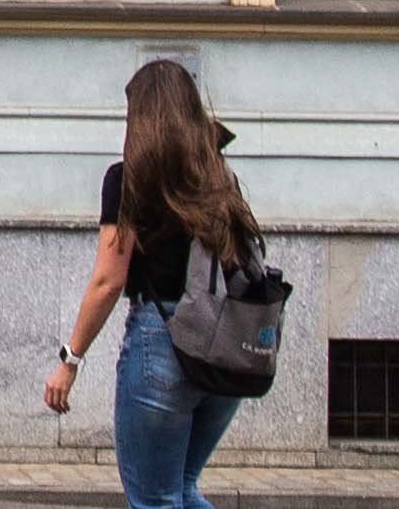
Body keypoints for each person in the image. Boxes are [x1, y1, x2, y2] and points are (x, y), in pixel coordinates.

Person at [40, 58, 263, 509]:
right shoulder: (219, 176)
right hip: (223, 349)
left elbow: (108, 281)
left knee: (156, 499)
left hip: (162, 344)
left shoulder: (127, 180)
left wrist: (70, 359)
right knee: (181, 489)